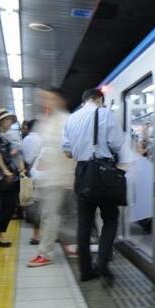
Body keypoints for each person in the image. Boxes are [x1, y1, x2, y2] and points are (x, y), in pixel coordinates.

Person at [62, 87, 122, 281]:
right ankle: (102, 263)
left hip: (81, 173)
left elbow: (67, 152)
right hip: (102, 173)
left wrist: (83, 149)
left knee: (84, 223)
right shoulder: (104, 113)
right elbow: (116, 144)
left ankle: (85, 271)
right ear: (98, 99)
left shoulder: (71, 118)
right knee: (110, 218)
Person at [27, 87, 77, 267]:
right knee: (58, 214)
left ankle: (44, 253)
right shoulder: (46, 121)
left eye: (49, 98)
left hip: (61, 177)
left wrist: (72, 176)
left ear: (60, 100)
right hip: (49, 178)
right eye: (43, 98)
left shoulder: (67, 120)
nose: (45, 102)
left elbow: (72, 150)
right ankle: (71, 245)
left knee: (51, 215)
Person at [0, 109, 25, 247]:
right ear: (2, 121)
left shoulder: (2, 136)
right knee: (8, 205)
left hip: (6, 175)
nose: (10, 122)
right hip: (0, 176)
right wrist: (4, 170)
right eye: (8, 119)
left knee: (8, 205)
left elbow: (9, 154)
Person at [20, 118, 44, 245]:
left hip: (30, 172)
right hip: (43, 173)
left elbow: (22, 157)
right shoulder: (42, 140)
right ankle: (44, 234)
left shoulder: (25, 140)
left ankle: (36, 234)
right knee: (45, 204)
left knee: (34, 202)